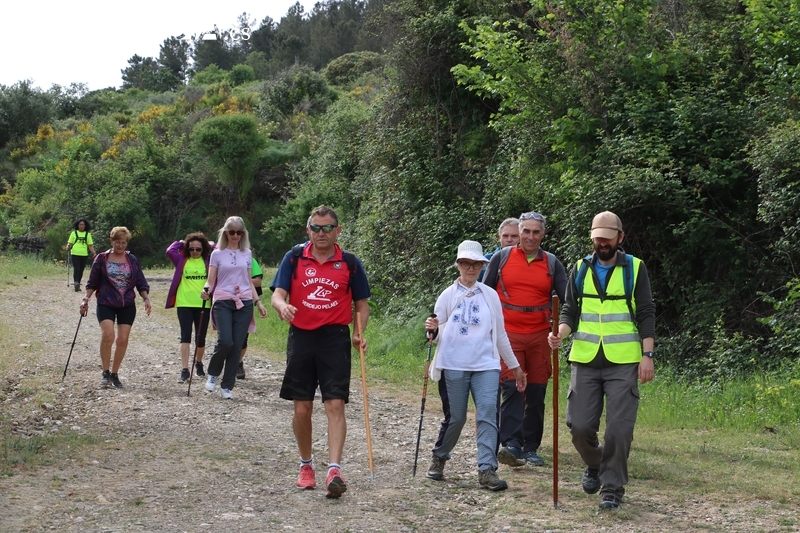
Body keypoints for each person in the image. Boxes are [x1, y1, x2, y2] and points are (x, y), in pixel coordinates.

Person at [548, 211, 655, 510]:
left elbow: (646, 312)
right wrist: (560, 332)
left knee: (619, 429)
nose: (602, 244)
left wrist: (648, 355)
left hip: (623, 361)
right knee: (579, 426)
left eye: (607, 239)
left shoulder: (635, 268)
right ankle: (595, 463)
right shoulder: (580, 268)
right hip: (585, 357)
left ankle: (612, 488)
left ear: (620, 238)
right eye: (597, 239)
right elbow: (570, 309)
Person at [270, 205, 370, 499]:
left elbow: (361, 304)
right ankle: (306, 465)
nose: (321, 233)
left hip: (335, 338)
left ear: (338, 231)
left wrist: (357, 332)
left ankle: (334, 470)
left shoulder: (349, 262)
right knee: (302, 408)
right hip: (301, 337)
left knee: (335, 405)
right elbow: (277, 294)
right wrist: (282, 306)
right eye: (316, 227)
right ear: (308, 230)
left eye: (327, 228)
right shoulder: (294, 257)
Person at [425, 240, 527, 491]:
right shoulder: (447, 295)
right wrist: (432, 330)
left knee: (488, 416)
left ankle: (487, 469)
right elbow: (437, 335)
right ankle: (440, 455)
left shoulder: (490, 296)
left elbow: (500, 335)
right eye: (466, 263)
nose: (471, 268)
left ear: (483, 266)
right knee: (456, 418)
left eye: (476, 264)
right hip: (453, 364)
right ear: (458, 265)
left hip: (486, 365)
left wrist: (515, 368)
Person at [482, 212, 567, 467]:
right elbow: (484, 294)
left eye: (536, 232)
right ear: (519, 232)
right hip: (508, 334)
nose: (530, 236)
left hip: (541, 334)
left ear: (543, 234)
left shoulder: (552, 263)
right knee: (512, 388)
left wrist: (561, 329)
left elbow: (568, 300)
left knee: (536, 390)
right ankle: (511, 445)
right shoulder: (502, 257)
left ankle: (531, 447)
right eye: (526, 231)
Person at [201, 217, 268, 399]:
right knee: (226, 341)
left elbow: (249, 281)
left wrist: (258, 302)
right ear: (225, 233)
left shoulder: (247, 253)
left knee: (237, 345)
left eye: (239, 232)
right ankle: (213, 373)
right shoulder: (217, 254)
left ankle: (227, 386)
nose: (235, 235)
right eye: (232, 232)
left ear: (243, 234)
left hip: (244, 300)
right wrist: (206, 290)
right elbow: (211, 279)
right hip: (223, 299)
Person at [79, 226, 151, 388]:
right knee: (108, 335)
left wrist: (145, 297)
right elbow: (93, 281)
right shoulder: (102, 259)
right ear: (111, 241)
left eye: (123, 242)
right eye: (117, 242)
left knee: (123, 339)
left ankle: (114, 373)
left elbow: (140, 281)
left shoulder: (132, 260)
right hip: (106, 302)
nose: (120, 246)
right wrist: (86, 299)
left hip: (127, 304)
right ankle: (105, 372)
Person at [165, 233, 213, 382]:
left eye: (198, 249)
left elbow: (219, 250)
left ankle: (198, 363)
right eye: (191, 249)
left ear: (203, 249)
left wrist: (211, 244)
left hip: (203, 304)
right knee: (185, 335)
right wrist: (181, 242)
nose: (194, 252)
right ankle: (185, 369)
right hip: (184, 302)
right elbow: (169, 251)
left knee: (201, 337)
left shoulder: (208, 261)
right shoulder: (182, 260)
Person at [237, 256, 263, 380]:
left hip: (246, 302)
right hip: (226, 301)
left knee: (243, 337)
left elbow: (258, 281)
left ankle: (238, 362)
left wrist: (241, 280)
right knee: (227, 337)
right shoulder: (223, 258)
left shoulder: (251, 260)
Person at [477, 217, 520, 282]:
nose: (509, 240)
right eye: (505, 236)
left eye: (514, 236)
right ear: (499, 237)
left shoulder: (528, 260)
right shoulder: (486, 260)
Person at [66, 218, 96, 292]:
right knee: (77, 268)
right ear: (77, 225)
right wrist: (68, 247)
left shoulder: (87, 234)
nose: (81, 226)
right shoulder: (74, 233)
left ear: (85, 226)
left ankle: (78, 283)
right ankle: (76, 282)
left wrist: (94, 253)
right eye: (80, 224)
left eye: (83, 225)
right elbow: (70, 243)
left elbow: (90, 245)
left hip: (84, 254)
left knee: (81, 269)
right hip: (75, 253)